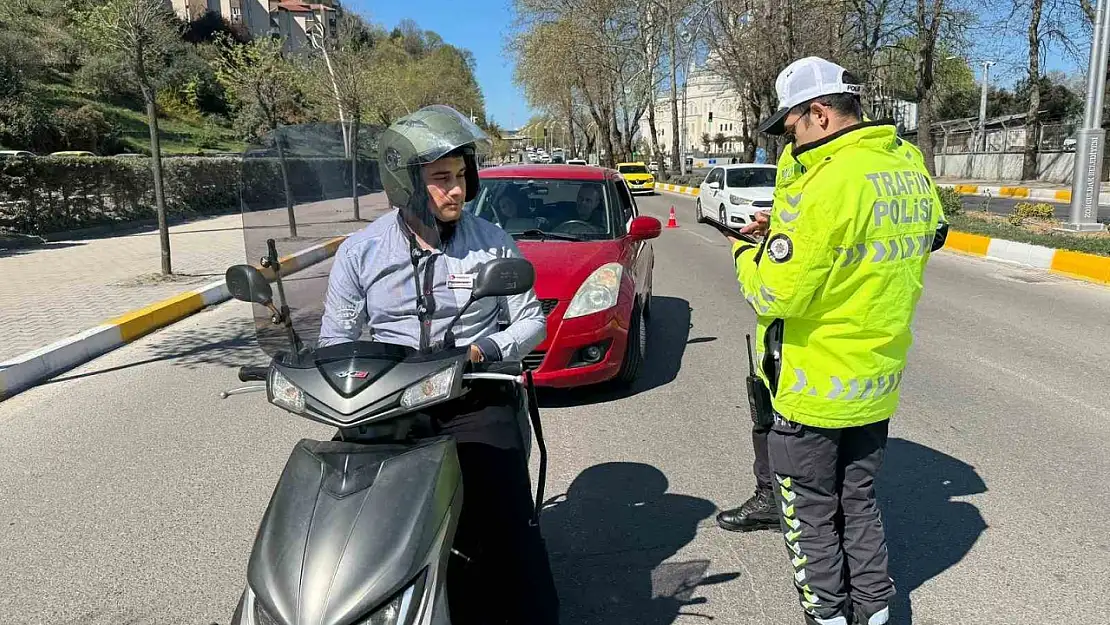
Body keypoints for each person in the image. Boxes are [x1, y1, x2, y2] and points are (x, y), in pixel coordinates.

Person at [317, 104, 559, 625]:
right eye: (440, 179)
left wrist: (482, 351)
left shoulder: (491, 242)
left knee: (506, 516)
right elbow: (335, 337)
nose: (457, 190)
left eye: (461, 176)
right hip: (387, 398)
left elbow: (531, 321)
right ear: (405, 184)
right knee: (346, 510)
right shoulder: (361, 252)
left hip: (472, 392)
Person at [725, 57, 943, 625]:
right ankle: (873, 612)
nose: (790, 141)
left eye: (792, 127)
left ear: (818, 115)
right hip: (876, 380)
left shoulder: (824, 182)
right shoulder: (905, 162)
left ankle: (824, 616)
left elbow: (777, 295)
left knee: (809, 517)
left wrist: (749, 249)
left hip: (812, 385)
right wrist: (796, 234)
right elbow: (928, 233)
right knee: (861, 505)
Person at [715, 140, 803, 534]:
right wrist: (776, 231)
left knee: (778, 426)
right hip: (783, 345)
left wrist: (741, 251)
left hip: (799, 349)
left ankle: (780, 503)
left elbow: (769, 293)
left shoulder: (828, 178)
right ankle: (772, 497)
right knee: (764, 416)